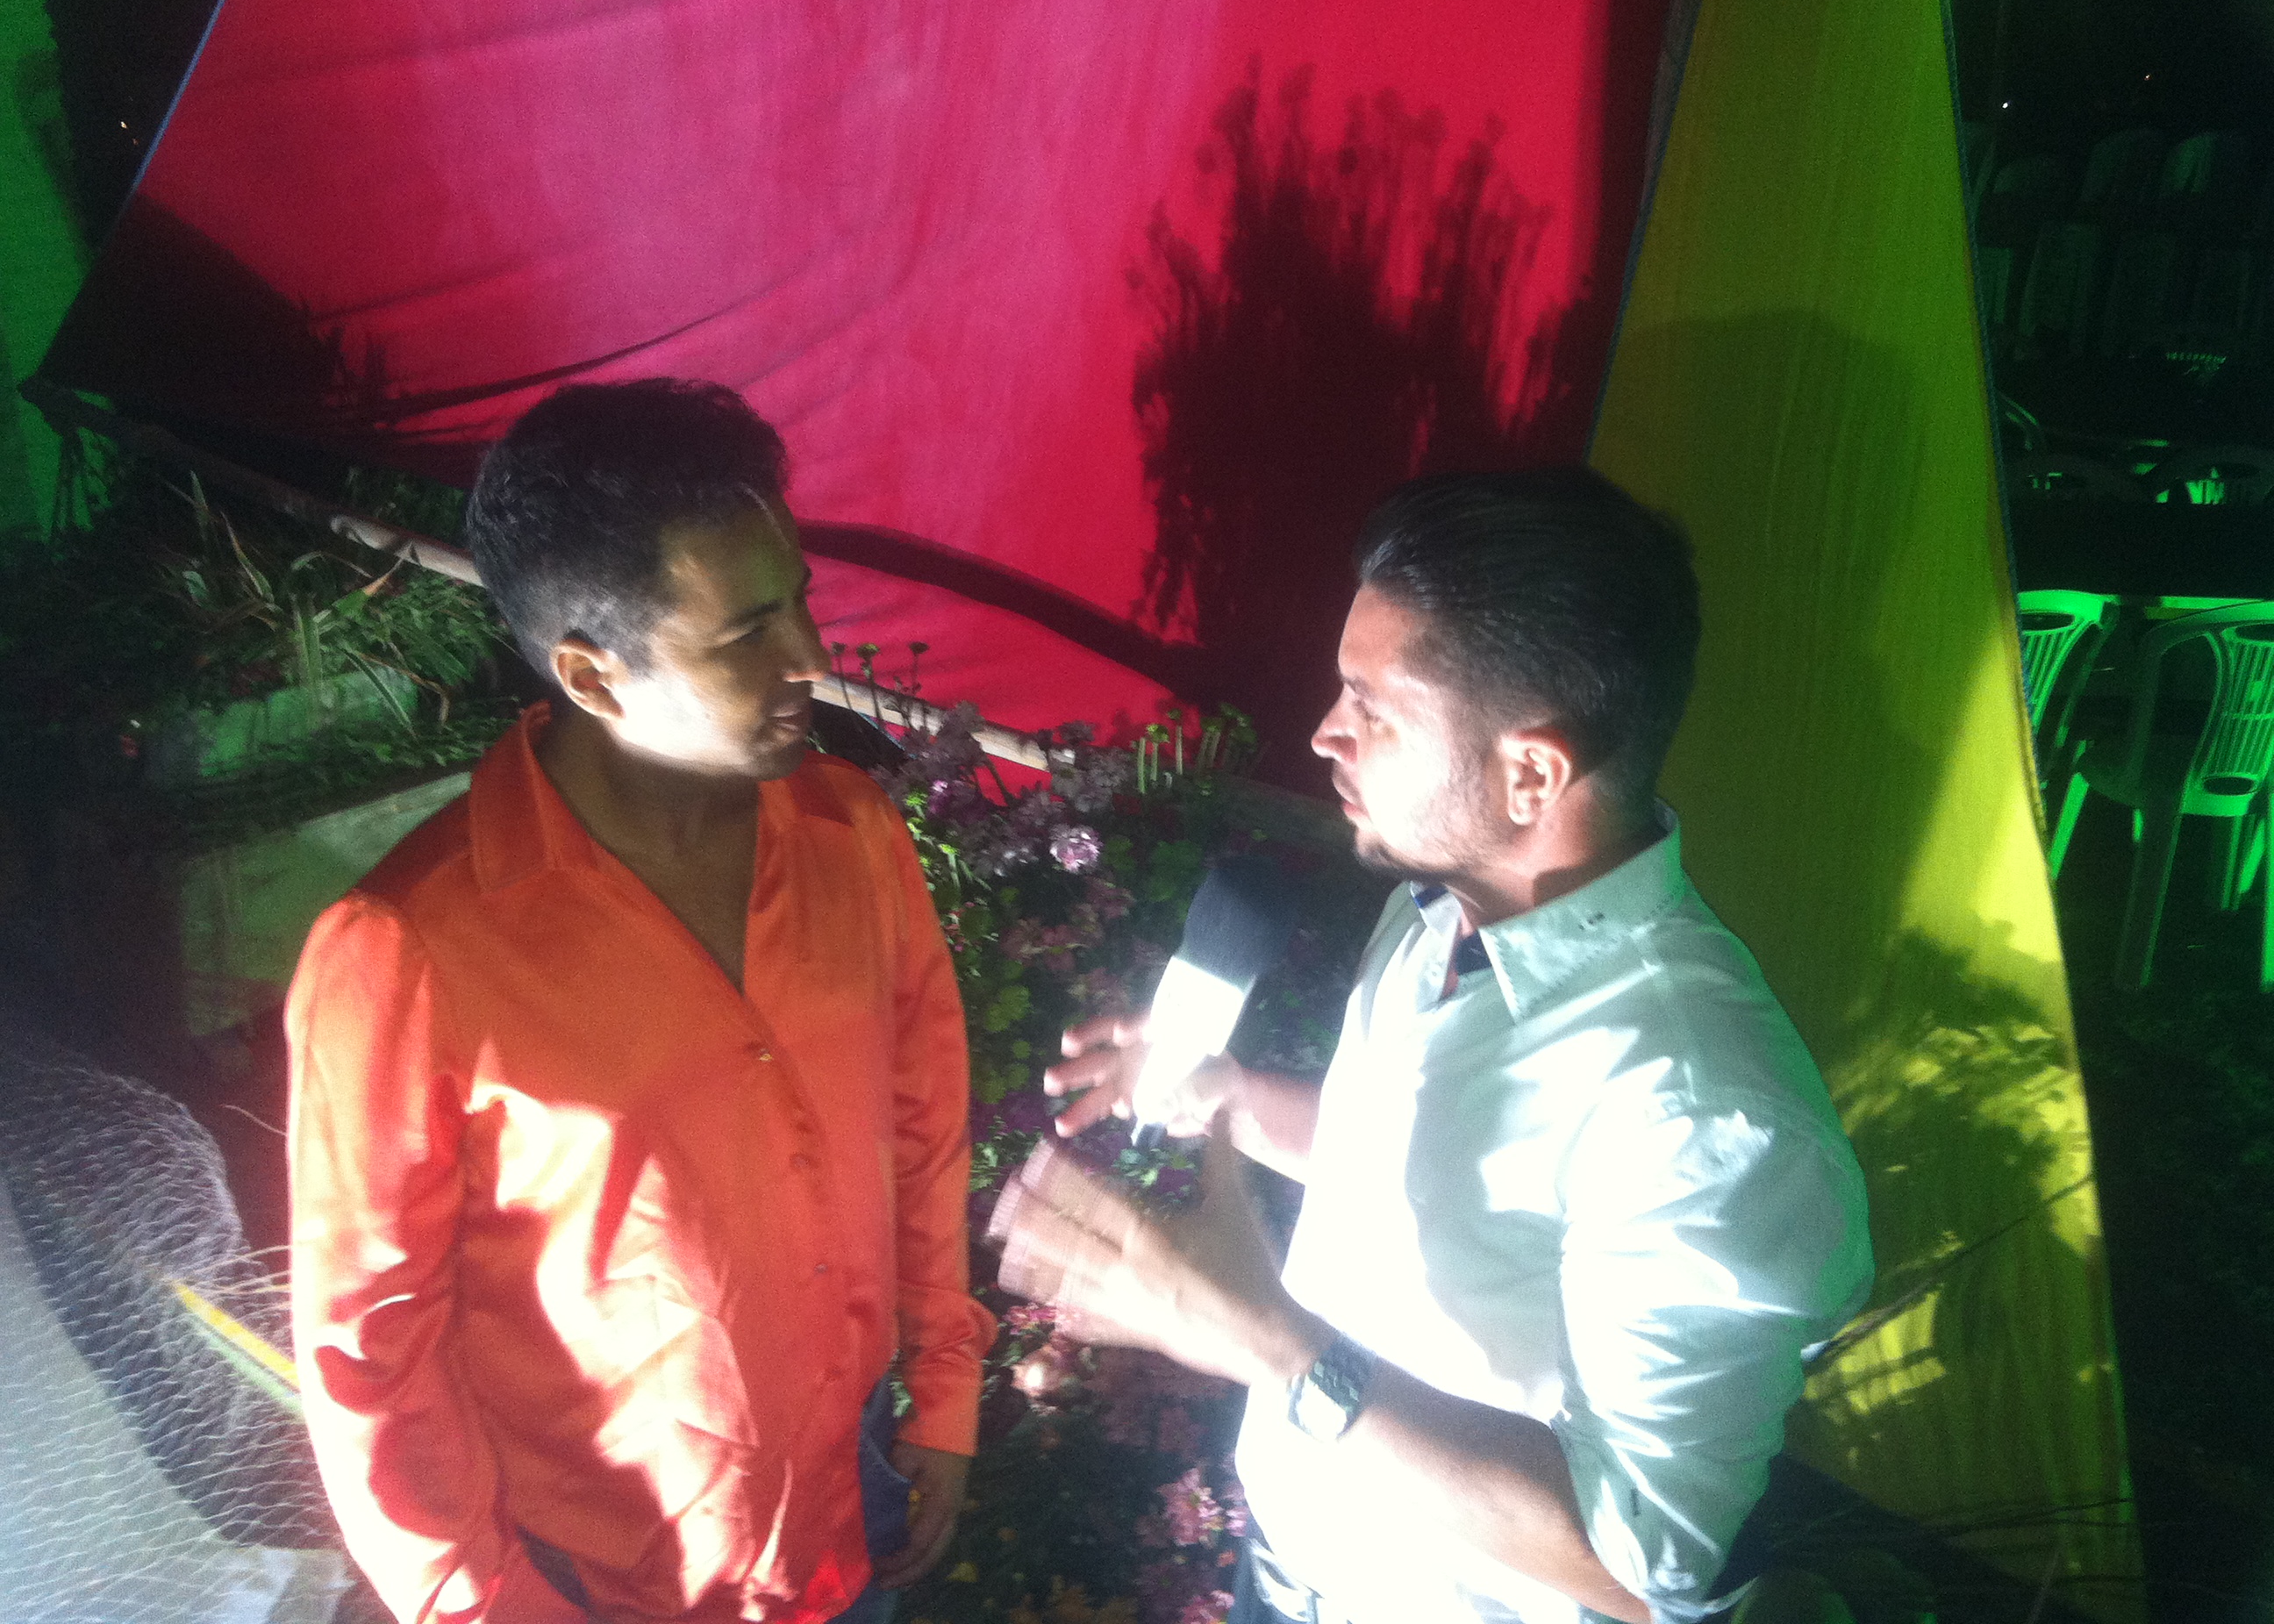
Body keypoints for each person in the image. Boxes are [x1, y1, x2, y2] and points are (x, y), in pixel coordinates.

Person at [994, 469, 1874, 1624]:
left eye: (1373, 706)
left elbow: (1642, 1567)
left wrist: (1270, 1343)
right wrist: (1233, 1097)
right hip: (1282, 1582)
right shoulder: (1440, 910)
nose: (1324, 733)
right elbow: (1404, 1161)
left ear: (1531, 772)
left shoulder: (1702, 1111)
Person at [286, 379, 991, 1624]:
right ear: (593, 677)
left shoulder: (850, 833)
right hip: (603, 1579)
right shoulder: (407, 952)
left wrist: (943, 1386)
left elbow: (922, 1119)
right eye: (747, 633)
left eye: (799, 600)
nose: (812, 659)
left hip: (859, 1491)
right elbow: (370, 1350)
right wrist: (489, 1604)